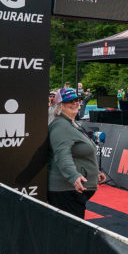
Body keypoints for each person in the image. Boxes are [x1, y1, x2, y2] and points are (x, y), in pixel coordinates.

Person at [47, 88, 105, 219]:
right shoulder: (60, 126)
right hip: (65, 190)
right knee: (70, 229)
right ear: (60, 105)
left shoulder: (72, 123)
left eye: (77, 100)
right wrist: (73, 176)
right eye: (69, 101)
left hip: (73, 191)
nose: (75, 103)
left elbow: (78, 153)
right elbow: (62, 155)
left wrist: (95, 171)